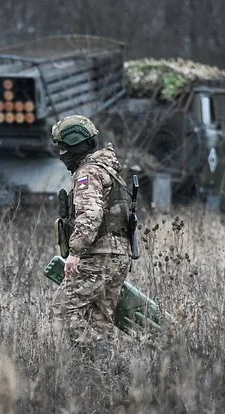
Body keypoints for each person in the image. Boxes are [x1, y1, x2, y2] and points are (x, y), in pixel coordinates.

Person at [51, 115, 132, 350]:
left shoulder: (89, 173)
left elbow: (91, 214)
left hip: (99, 254)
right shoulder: (108, 169)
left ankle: (110, 361)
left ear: (76, 146)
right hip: (117, 255)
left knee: (64, 310)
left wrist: (76, 252)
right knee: (98, 321)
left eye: (64, 148)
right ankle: (105, 378)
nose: (61, 154)